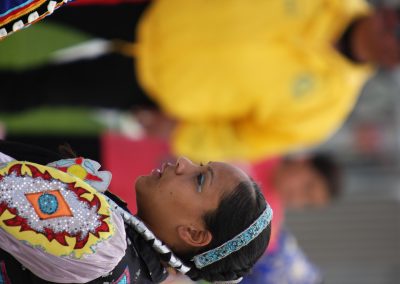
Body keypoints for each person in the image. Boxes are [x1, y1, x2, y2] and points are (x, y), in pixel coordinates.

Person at [3, 0, 400, 162]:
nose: (390, 21)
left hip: (156, 85)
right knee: (39, 2)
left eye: (397, 32)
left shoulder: (327, 109)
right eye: (396, 15)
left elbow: (245, 141)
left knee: (41, 89)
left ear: (394, 59)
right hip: (159, 9)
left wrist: (180, 132)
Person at [0, 140, 272, 283]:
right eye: (200, 164)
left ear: (194, 233)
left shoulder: (104, 243)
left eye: (199, 179)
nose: (182, 163)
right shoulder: (133, 265)